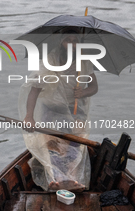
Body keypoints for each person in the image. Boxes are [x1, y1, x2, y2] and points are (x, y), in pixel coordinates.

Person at [18, 27, 98, 192]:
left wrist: (83, 91)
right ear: (61, 42)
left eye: (75, 41)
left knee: (75, 146)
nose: (71, 44)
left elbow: (94, 87)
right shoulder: (50, 62)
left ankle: (73, 180)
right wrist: (29, 116)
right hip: (52, 109)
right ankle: (57, 180)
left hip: (76, 111)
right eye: (68, 40)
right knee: (53, 146)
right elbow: (34, 91)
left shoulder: (84, 61)